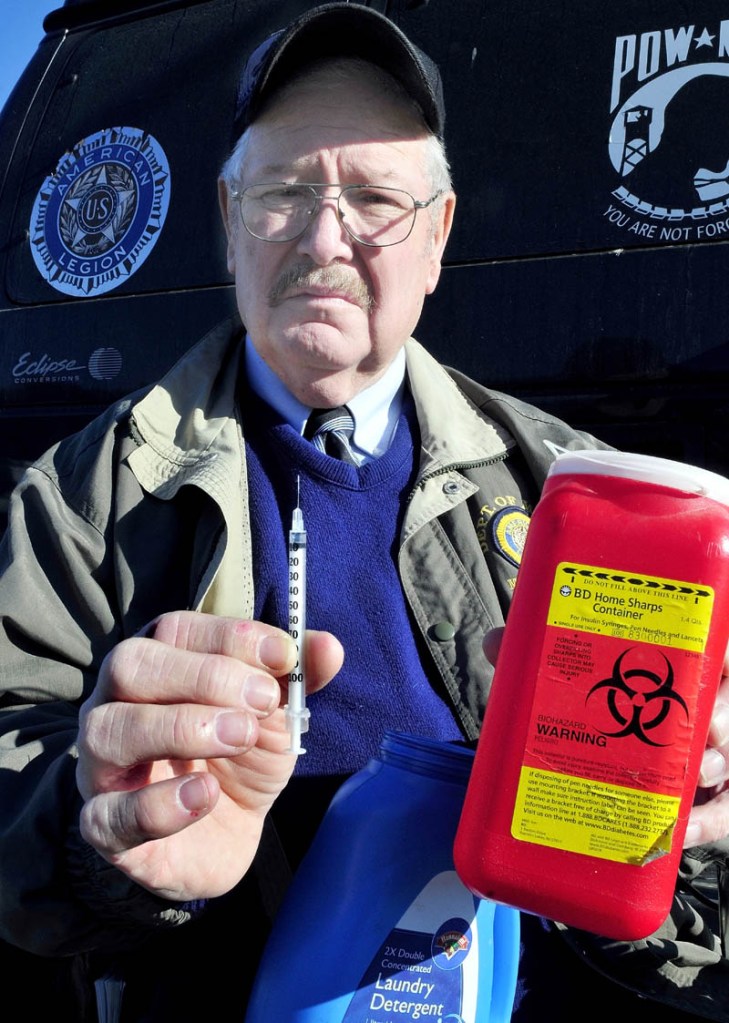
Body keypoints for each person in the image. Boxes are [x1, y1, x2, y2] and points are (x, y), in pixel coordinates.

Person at [0, 3, 728, 1020]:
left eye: (375, 199)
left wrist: (682, 841)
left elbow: (689, 922)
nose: (322, 236)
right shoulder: (79, 497)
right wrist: (102, 822)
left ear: (437, 239)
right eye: (284, 194)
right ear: (227, 217)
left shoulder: (580, 494)